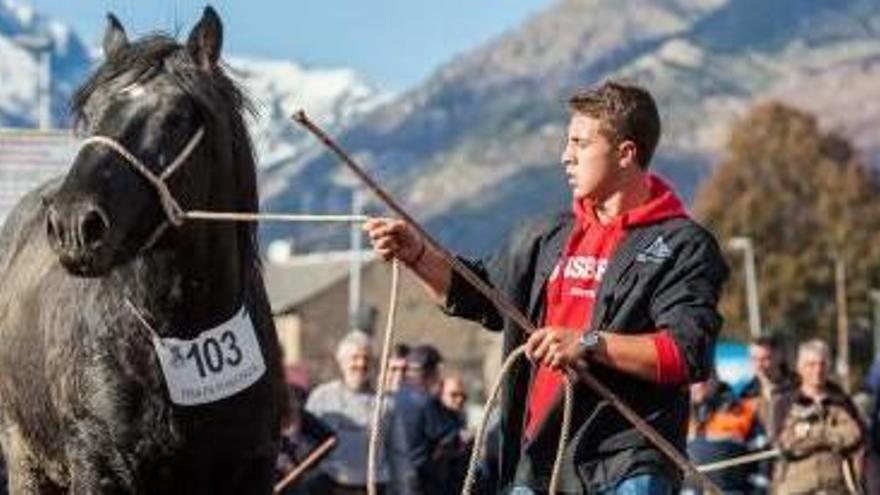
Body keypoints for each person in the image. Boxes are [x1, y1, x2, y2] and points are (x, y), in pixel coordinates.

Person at [364, 81, 728, 494]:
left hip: (627, 466)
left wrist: (589, 343)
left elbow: (687, 353)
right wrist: (417, 255)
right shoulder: (544, 236)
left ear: (626, 154)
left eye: (580, 143)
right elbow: (480, 295)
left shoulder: (683, 245)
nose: (565, 156)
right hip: (537, 464)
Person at [305, 331, 413, 495]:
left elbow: (397, 453)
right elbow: (305, 444)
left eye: (366, 359)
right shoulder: (321, 398)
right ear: (342, 362)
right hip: (331, 485)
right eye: (355, 358)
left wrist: (403, 490)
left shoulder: (385, 404)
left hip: (374, 486)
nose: (361, 364)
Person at [774, 339, 864, 494]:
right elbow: (786, 444)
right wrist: (833, 435)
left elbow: (854, 436)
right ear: (800, 368)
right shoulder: (785, 403)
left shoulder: (841, 400)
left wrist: (810, 432)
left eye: (822, 364)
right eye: (811, 365)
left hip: (836, 487)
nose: (818, 370)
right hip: (795, 488)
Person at [395, 345, 463, 495]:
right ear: (433, 371)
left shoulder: (395, 397)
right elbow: (450, 436)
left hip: (396, 475)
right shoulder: (427, 402)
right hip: (422, 480)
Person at [684, 376, 766, 494]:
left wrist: (759, 491)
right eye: (693, 382)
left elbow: (762, 457)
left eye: (704, 379)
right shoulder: (680, 416)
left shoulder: (740, 411)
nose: (699, 385)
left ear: (715, 379)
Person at [740, 335, 797, 438]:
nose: (759, 365)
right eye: (754, 359)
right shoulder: (746, 395)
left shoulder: (798, 387)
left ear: (779, 356)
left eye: (765, 359)